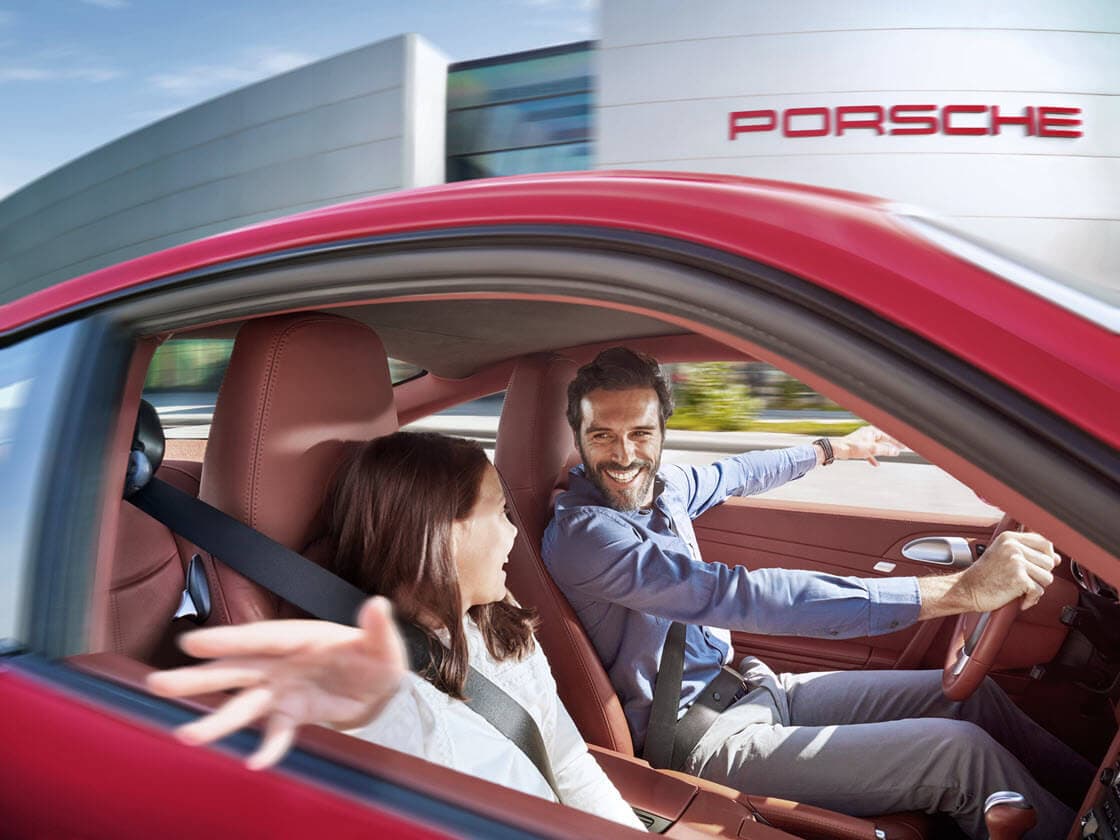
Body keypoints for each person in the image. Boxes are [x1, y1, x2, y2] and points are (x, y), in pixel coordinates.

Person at [541, 347, 1095, 840]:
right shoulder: (585, 537)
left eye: (640, 433)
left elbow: (737, 472)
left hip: (753, 688)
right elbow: (741, 595)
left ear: (662, 430)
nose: (624, 456)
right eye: (602, 436)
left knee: (972, 698)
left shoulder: (664, 489)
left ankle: (1096, 800)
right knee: (959, 755)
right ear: (577, 436)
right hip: (702, 741)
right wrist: (961, 590)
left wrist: (833, 449)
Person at [148, 431, 646, 831]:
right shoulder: (392, 709)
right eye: (499, 512)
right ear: (440, 532)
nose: (514, 533)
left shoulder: (499, 621)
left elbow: (566, 762)